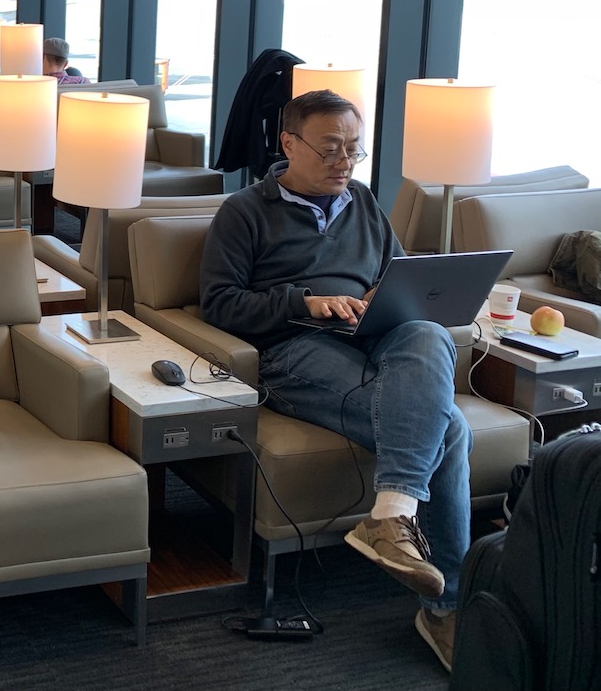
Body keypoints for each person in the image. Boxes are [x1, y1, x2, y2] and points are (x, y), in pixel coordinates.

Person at [199, 89, 468, 670]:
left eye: (353, 147)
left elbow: (395, 276)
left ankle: (391, 517)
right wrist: (306, 301)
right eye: (329, 147)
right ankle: (448, 608)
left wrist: (382, 299)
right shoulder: (244, 211)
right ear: (288, 143)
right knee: (448, 430)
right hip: (296, 345)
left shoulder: (365, 202)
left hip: (373, 333)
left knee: (428, 333)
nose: (343, 159)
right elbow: (219, 304)